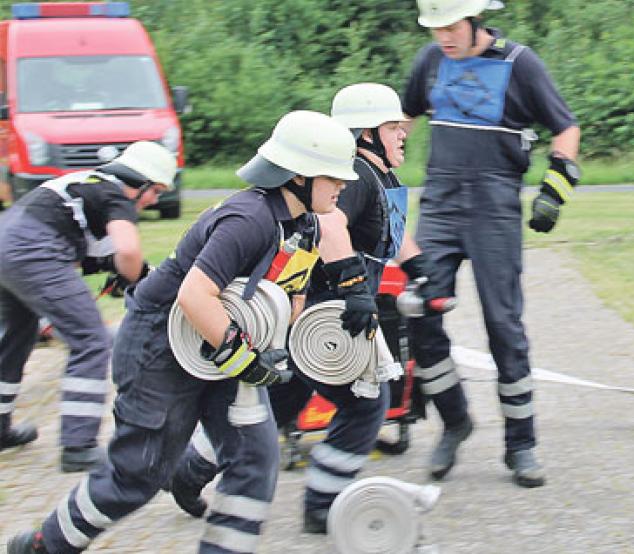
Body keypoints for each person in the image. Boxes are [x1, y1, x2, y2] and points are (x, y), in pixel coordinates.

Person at [6, 111, 359, 554]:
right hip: (161, 346)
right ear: (298, 175)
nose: (343, 184)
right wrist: (243, 358)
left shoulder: (304, 224)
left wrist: (279, 350)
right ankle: (44, 545)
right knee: (138, 474)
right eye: (333, 175)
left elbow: (291, 293)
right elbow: (194, 296)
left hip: (221, 344)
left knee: (255, 459)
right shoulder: (247, 218)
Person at [164, 83, 440, 534]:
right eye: (393, 127)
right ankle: (322, 505)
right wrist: (354, 287)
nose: (403, 134)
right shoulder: (354, 173)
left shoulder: (376, 176)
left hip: (315, 315)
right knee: (368, 405)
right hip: (325, 316)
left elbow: (385, 229)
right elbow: (329, 223)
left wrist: (419, 264)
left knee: (279, 396)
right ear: (364, 133)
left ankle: (190, 469)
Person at [403, 0, 581, 488]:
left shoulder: (520, 63)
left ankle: (521, 443)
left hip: (494, 206)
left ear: (476, 20)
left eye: (451, 25)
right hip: (439, 203)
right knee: (416, 308)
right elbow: (403, 120)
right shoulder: (430, 61)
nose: (443, 36)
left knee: (503, 323)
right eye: (435, 27)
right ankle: (454, 420)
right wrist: (369, 167)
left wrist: (554, 190)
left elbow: (566, 127)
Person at [0, 141, 175, 472]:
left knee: (15, 339)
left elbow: (91, 250)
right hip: (34, 252)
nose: (154, 200)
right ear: (140, 182)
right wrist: (132, 277)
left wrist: (122, 273)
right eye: (155, 191)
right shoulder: (115, 195)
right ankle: (78, 445)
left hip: (7, 245)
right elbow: (128, 253)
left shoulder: (86, 182)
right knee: (93, 341)